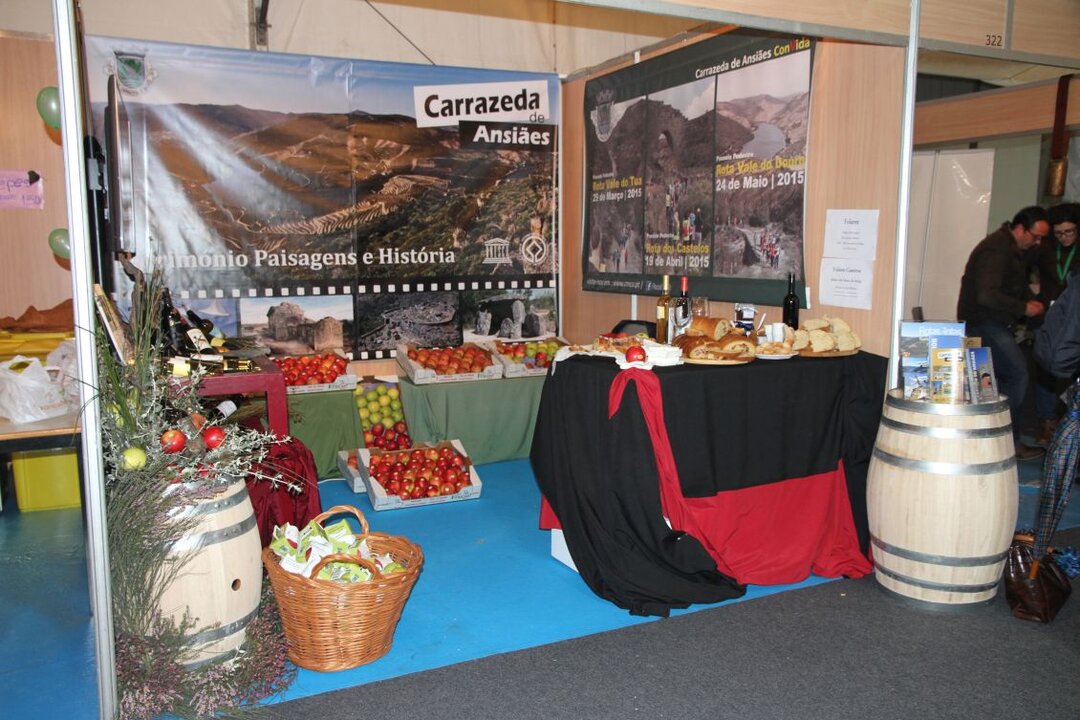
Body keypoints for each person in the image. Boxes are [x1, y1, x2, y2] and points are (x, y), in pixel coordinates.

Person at [957, 205, 1049, 460]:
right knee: (1016, 375)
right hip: (985, 324)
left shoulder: (1005, 248)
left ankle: (994, 440)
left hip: (982, 325)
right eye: (1035, 236)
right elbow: (986, 295)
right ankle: (1007, 440)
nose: (1038, 243)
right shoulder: (997, 249)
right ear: (1020, 229)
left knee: (988, 383)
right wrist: (1024, 307)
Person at [1033, 203, 1080, 444]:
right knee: (1046, 371)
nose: (1064, 237)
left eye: (1069, 232)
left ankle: (1068, 427)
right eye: (1059, 233)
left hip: (1073, 321)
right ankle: (1047, 424)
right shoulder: (1046, 250)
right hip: (1049, 319)